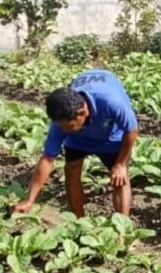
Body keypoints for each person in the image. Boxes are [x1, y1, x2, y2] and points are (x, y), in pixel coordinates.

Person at [13, 69, 139, 219]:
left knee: (119, 178)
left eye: (69, 127)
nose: (65, 131)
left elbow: (132, 130)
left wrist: (121, 164)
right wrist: (29, 200)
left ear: (82, 113)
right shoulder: (62, 122)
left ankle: (122, 227)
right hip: (79, 139)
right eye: (62, 127)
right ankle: (80, 222)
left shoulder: (112, 102)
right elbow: (47, 158)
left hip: (111, 135)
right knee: (71, 169)